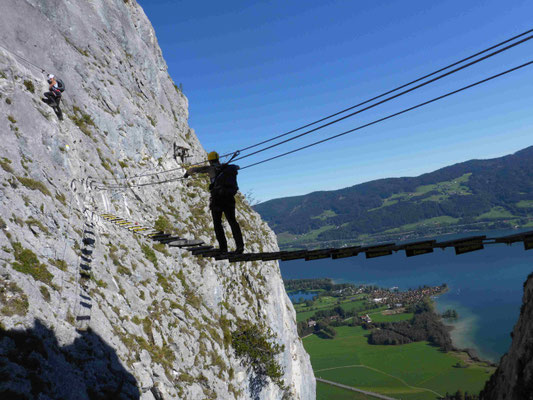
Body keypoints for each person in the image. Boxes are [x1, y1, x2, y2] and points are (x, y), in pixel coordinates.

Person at [184, 151, 244, 254]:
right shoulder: (228, 168)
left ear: (210, 160)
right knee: (232, 222)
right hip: (229, 198)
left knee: (217, 224)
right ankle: (240, 247)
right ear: (218, 159)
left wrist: (187, 173)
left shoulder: (210, 169)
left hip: (217, 200)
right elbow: (237, 167)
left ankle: (223, 248)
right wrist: (225, 166)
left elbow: (195, 170)